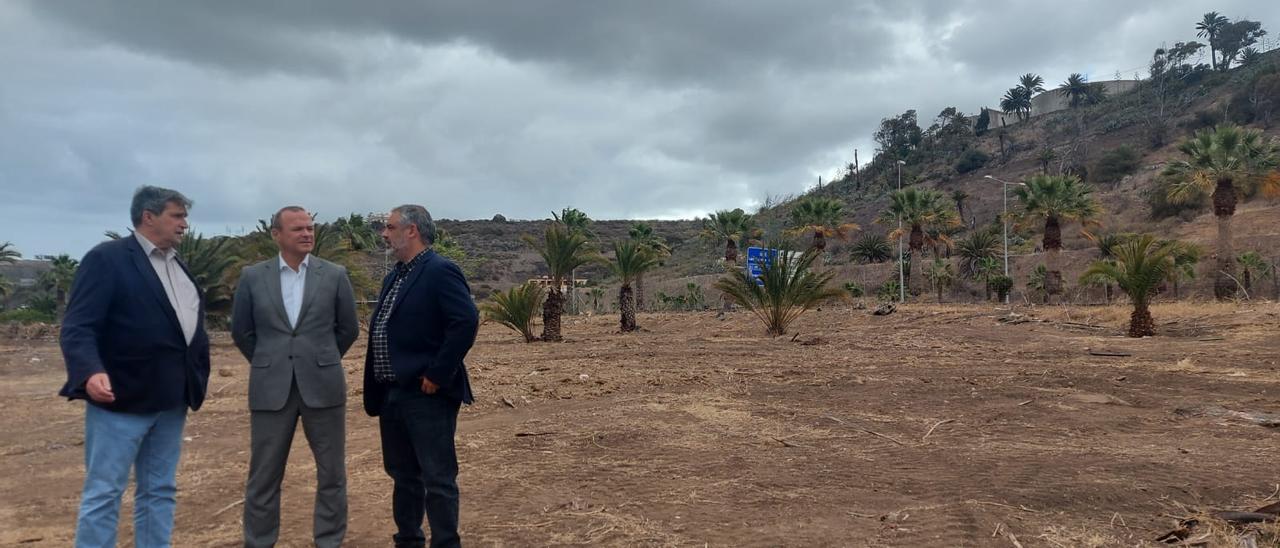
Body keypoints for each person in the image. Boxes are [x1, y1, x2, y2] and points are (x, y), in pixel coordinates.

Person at [59, 185, 210, 547]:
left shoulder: (177, 264)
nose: (184, 224)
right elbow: (78, 325)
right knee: (105, 492)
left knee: (159, 489)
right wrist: (90, 370)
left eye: (184, 216)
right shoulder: (107, 259)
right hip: (122, 398)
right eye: (177, 216)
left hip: (172, 399)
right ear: (148, 216)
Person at [231, 206, 360, 548]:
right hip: (270, 390)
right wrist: (268, 362)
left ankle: (329, 542)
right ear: (276, 235)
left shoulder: (333, 274)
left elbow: (348, 329)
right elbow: (242, 332)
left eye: (310, 227)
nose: (307, 233)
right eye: (298, 229)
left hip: (324, 387)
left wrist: (321, 359)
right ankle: (259, 542)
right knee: (263, 477)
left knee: (332, 474)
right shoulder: (252, 277)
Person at [364, 204, 479, 548]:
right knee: (403, 476)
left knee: (438, 478)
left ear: (411, 230)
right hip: (391, 394)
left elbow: (465, 322)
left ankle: (446, 543)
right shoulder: (394, 275)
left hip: (426, 393)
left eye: (389, 226)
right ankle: (408, 540)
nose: (384, 233)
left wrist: (437, 373)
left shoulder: (440, 270)